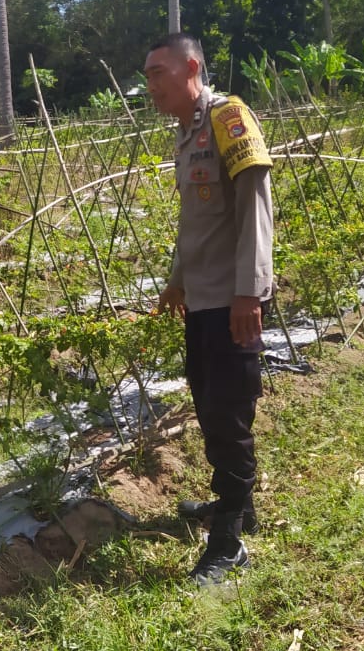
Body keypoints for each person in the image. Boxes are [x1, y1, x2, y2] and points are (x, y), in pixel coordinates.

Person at [144, 33, 275, 585]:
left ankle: (229, 541)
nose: (150, 85)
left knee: (227, 412)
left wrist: (251, 291)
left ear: (191, 66)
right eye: (147, 75)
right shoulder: (186, 135)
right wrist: (177, 281)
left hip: (232, 300)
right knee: (210, 404)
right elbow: (195, 224)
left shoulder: (228, 118)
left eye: (158, 73)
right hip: (202, 297)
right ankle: (236, 507)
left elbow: (255, 204)